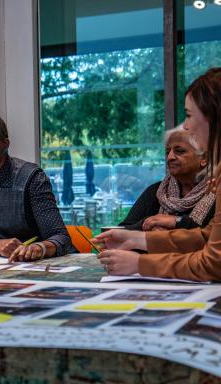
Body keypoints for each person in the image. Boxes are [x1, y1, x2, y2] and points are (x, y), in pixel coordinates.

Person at [93, 68, 221, 281]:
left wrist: (139, 263)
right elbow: (207, 237)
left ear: (212, 117)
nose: (187, 126)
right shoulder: (156, 191)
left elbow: (213, 263)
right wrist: (137, 238)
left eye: (189, 115)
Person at [0, 110, 74, 262]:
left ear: (6, 144)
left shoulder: (32, 177)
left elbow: (61, 238)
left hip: (42, 264)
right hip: (1, 264)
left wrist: (40, 248)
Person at [119, 125, 214, 231]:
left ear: (204, 158)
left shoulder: (216, 193)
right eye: (167, 152)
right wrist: (149, 224)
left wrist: (176, 222)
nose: (170, 157)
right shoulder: (157, 192)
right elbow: (122, 230)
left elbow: (212, 237)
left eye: (179, 151)